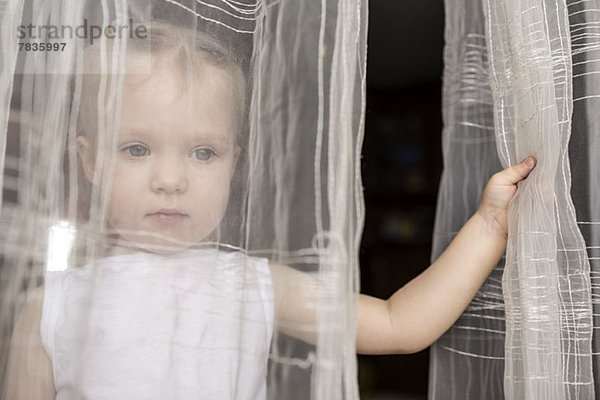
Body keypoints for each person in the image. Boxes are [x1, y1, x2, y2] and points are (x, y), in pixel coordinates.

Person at [2, 22, 537, 399]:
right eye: (137, 149)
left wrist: (488, 228)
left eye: (203, 152)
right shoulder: (50, 307)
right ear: (90, 161)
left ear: (233, 164)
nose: (171, 180)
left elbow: (399, 325)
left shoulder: (250, 285)